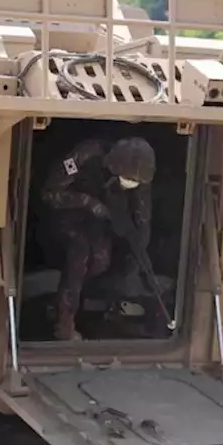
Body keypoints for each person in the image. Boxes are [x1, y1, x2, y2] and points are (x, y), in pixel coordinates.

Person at [39, 135, 155, 341]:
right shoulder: (86, 155)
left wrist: (139, 250)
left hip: (98, 225)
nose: (130, 183)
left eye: (135, 181)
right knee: (80, 251)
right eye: (127, 178)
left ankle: (93, 304)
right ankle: (64, 320)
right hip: (64, 218)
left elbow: (142, 218)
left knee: (101, 261)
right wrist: (89, 203)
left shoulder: (139, 177)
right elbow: (50, 193)